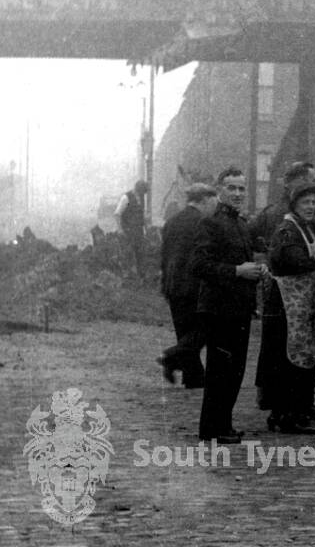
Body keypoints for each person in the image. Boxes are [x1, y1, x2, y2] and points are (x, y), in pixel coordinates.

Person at [190, 167, 267, 443]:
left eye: (241, 188)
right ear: (219, 190)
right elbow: (198, 265)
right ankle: (212, 429)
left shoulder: (241, 225)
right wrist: (237, 271)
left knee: (234, 371)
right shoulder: (210, 223)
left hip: (239, 308)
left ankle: (224, 424)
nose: (237, 193)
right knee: (220, 370)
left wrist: (254, 273)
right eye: (231, 188)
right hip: (218, 309)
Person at [251, 161, 315, 420]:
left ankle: (296, 403)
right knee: (285, 352)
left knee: (294, 350)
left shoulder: (304, 215)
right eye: (310, 180)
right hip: (286, 296)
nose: (312, 196)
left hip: (300, 296)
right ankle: (285, 408)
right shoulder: (283, 217)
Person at [265, 180, 315, 434]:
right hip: (288, 304)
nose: (310, 207)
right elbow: (298, 262)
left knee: (301, 357)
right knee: (288, 360)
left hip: (303, 304)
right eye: (305, 202)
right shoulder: (288, 229)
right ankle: (286, 415)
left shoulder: (305, 228)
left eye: (313, 202)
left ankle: (295, 410)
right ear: (294, 204)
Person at [156, 182, 218, 388]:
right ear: (204, 200)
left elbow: (164, 255)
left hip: (173, 283)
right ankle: (171, 357)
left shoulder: (172, 221)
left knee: (184, 330)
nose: (215, 205)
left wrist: (165, 282)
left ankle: (194, 378)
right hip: (195, 283)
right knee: (206, 328)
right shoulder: (205, 222)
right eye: (213, 201)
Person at [114, 179, 149, 277]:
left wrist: (146, 229)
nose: (142, 194)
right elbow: (117, 214)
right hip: (128, 231)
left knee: (140, 253)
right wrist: (120, 229)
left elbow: (142, 215)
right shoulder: (126, 198)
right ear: (137, 189)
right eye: (141, 192)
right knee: (128, 253)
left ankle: (141, 275)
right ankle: (128, 276)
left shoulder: (141, 198)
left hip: (138, 231)